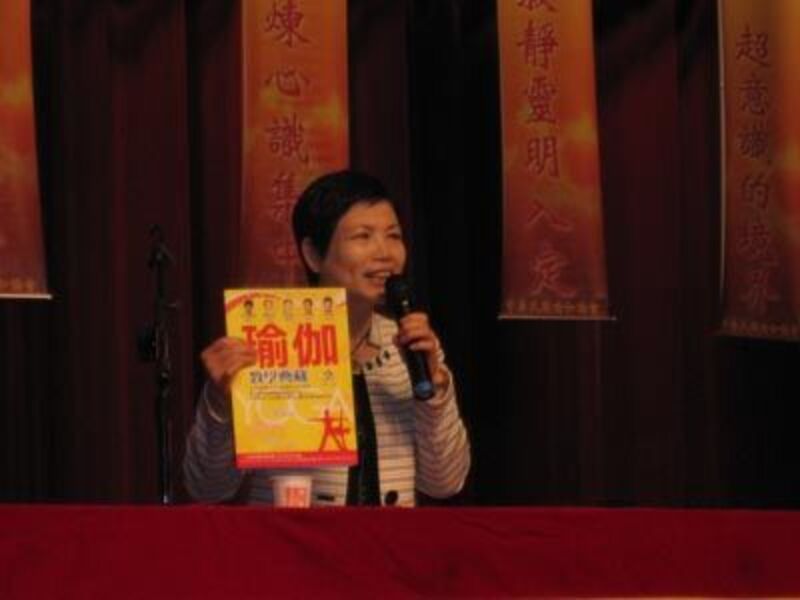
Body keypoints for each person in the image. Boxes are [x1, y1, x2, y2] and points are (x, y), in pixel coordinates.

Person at [183, 170, 470, 506]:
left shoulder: (410, 345)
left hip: (389, 540)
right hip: (292, 539)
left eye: (394, 235)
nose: (385, 253)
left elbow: (445, 482)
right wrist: (220, 404)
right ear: (314, 255)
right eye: (363, 236)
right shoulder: (268, 345)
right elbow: (207, 488)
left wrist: (434, 388)